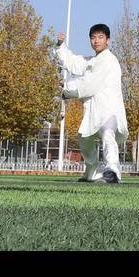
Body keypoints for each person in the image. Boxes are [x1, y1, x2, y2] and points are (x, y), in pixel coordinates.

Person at [56, 24, 128, 184]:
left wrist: (66, 89)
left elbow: (89, 85)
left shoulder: (108, 60)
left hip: (109, 109)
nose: (96, 41)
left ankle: (112, 172)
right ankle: (93, 173)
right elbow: (74, 62)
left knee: (108, 134)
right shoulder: (93, 61)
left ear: (108, 41)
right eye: (93, 37)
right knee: (85, 139)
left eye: (100, 37)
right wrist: (61, 46)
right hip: (94, 111)